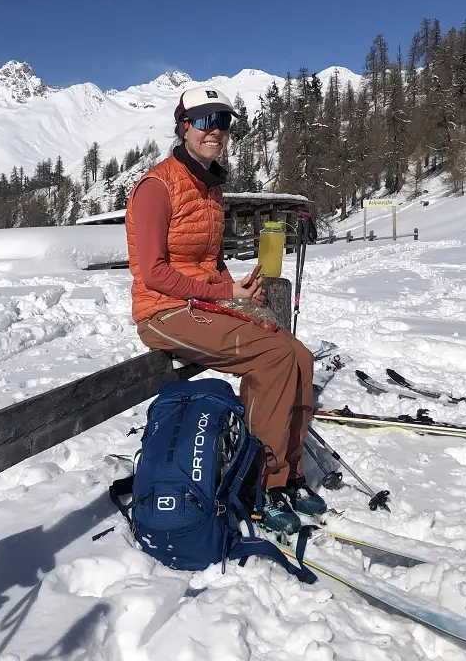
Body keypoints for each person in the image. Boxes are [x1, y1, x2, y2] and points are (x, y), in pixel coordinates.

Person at [124, 85, 325, 537]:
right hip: (164, 311)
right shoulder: (157, 187)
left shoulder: (211, 187)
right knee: (273, 356)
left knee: (299, 355)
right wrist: (221, 292)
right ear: (184, 127)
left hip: (200, 304)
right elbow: (154, 272)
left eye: (223, 122)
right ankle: (260, 482)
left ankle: (289, 473)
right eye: (204, 121)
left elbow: (210, 263)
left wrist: (237, 292)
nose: (214, 130)